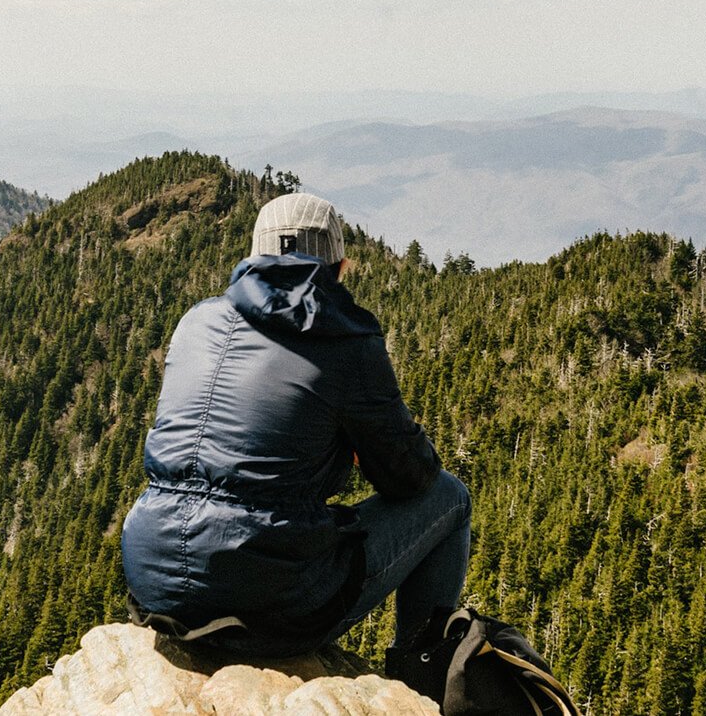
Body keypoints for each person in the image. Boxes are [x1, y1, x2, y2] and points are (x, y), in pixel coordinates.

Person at [121, 191, 471, 658]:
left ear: (250, 259)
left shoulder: (196, 321)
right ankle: (419, 673)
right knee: (450, 497)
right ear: (340, 269)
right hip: (264, 606)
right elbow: (410, 479)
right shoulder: (347, 344)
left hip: (152, 581)